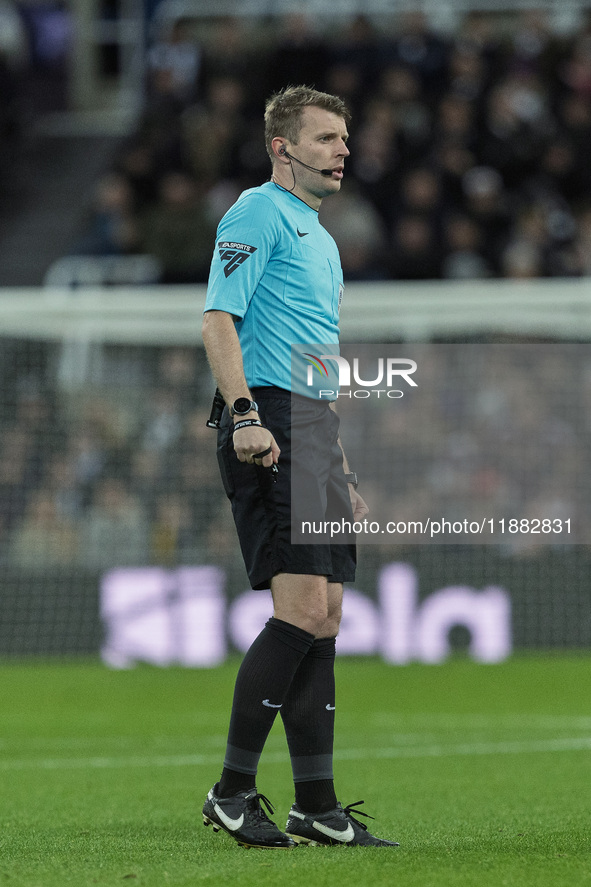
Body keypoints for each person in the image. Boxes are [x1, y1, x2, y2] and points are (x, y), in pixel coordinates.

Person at [201, 85, 398, 850]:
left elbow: (316, 346)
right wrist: (245, 414)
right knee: (299, 612)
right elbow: (220, 318)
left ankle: (315, 805)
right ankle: (230, 791)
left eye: (343, 138)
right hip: (271, 416)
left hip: (312, 421)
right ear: (282, 148)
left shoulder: (320, 234)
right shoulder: (256, 212)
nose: (342, 149)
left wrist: (335, 448)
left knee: (327, 617)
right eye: (324, 139)